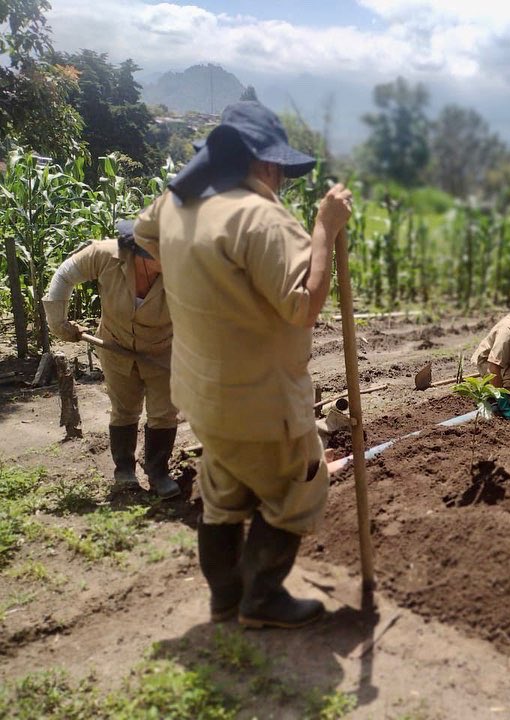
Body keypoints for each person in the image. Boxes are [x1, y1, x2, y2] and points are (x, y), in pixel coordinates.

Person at [134, 101, 352, 629]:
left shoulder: (174, 204)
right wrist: (326, 226)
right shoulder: (262, 218)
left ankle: (225, 599)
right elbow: (303, 305)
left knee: (223, 496)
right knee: (299, 485)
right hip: (262, 399)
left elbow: (143, 240)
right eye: (279, 169)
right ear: (268, 166)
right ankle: (262, 600)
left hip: (203, 393)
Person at [42, 220, 180, 499]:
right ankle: (124, 470)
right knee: (124, 408)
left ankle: (157, 470)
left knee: (164, 411)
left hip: (163, 351)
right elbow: (64, 275)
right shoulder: (106, 254)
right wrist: (58, 322)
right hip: (114, 345)